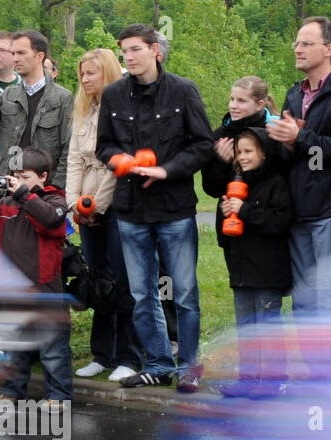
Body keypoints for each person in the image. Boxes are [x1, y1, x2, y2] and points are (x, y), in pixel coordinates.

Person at [96, 23, 214, 392]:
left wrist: (166, 170)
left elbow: (202, 145)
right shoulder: (113, 95)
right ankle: (159, 363)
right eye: (124, 51)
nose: (128, 57)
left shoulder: (183, 91)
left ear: (155, 51)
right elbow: (103, 146)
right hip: (131, 210)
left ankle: (189, 366)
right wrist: (123, 161)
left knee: (183, 292)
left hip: (174, 208)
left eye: (134, 50)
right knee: (142, 294)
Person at [266, 15, 331, 371]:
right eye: (297, 42)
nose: (298, 48)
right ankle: (316, 374)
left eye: (307, 43)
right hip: (299, 212)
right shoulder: (294, 93)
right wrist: (278, 142)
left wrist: (300, 137)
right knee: (305, 300)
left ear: (329, 49)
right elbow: (290, 155)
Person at [0, 147, 72, 408]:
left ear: (43, 176)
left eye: (25, 176)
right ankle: (12, 391)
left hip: (44, 285)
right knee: (13, 345)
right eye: (14, 175)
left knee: (52, 346)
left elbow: (50, 222)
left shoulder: (56, 200)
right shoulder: (6, 203)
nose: (17, 181)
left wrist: (24, 195)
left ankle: (59, 395)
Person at [66, 48, 139, 382]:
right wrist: (74, 205)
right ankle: (102, 353)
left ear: (106, 72)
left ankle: (129, 354)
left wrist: (98, 205)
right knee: (97, 279)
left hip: (113, 205)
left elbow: (117, 163)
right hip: (84, 205)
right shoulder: (83, 109)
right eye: (82, 73)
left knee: (121, 280)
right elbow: (74, 160)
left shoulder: (122, 109)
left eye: (91, 73)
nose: (85, 79)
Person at [207, 128, 292, 399]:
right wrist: (225, 215)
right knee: (246, 327)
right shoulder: (235, 182)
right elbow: (225, 233)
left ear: (263, 153)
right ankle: (248, 379)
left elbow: (279, 222)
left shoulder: (276, 182)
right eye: (239, 152)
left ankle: (274, 380)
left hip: (268, 271)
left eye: (248, 152)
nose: (242, 157)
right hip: (241, 269)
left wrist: (244, 210)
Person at [0, 30, 73, 188]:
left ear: (39, 56)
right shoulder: (9, 94)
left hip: (42, 189)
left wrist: (56, 189)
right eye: (13, 53)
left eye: (21, 53)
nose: (15, 59)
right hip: (4, 186)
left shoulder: (63, 98)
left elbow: (68, 151)